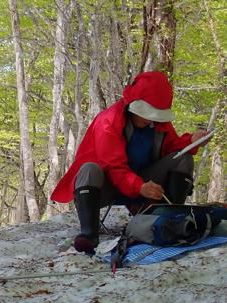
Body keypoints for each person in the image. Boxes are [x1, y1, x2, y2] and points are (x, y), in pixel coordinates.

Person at [51, 71, 212, 255]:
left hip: (141, 181)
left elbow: (172, 148)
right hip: (106, 186)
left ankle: (171, 220)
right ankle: (88, 235)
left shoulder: (158, 124)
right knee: (89, 169)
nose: (150, 119)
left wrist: (191, 140)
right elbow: (114, 167)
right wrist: (139, 187)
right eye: (148, 113)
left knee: (183, 158)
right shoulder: (108, 121)